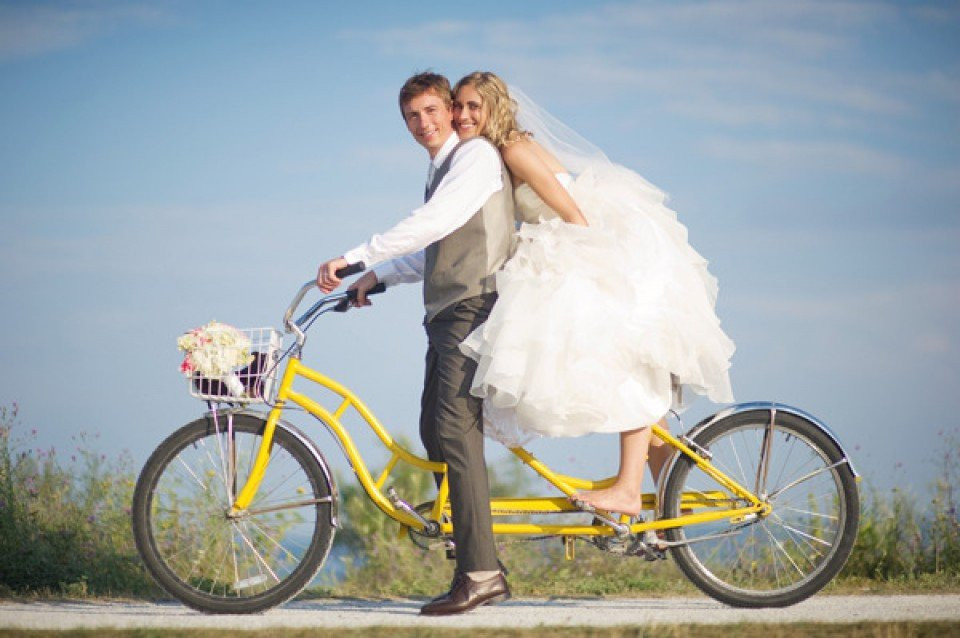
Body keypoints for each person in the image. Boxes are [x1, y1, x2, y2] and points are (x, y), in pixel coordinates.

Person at [450, 71, 736, 517]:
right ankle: (668, 517)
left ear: (493, 108)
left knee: (624, 368)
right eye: (459, 106)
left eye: (474, 106)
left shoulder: (512, 150)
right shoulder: (511, 147)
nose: (464, 115)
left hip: (589, 249)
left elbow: (574, 216)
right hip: (597, 245)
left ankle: (626, 491)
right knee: (641, 385)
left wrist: (588, 273)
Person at [316, 72, 513, 615]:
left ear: (451, 110)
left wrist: (357, 257)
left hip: (474, 305)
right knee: (434, 426)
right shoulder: (442, 170)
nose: (422, 123)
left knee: (454, 428)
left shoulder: (472, 156)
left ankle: (480, 572)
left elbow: (433, 223)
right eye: (411, 116)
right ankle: (473, 551)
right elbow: (435, 247)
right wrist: (376, 279)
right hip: (447, 312)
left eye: (430, 111)